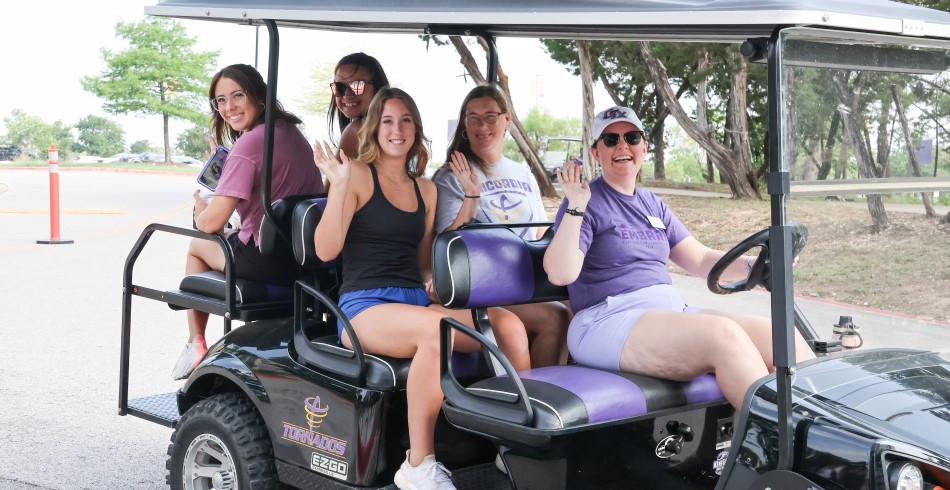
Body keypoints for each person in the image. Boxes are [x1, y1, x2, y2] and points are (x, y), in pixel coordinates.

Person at [312, 87, 529, 490]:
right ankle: (418, 464)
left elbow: (426, 261)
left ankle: (516, 446)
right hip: (364, 307)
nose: (397, 130)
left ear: (416, 129)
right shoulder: (354, 174)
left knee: (508, 326)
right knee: (437, 332)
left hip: (413, 300)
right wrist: (337, 187)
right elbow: (326, 250)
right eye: (388, 121)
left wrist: (470, 201)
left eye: (406, 121)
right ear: (375, 128)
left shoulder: (425, 189)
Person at [543, 106, 812, 409]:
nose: (622, 146)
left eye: (631, 137)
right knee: (720, 335)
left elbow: (700, 259)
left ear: (644, 147)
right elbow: (560, 273)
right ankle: (779, 433)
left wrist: (756, 264)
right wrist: (576, 205)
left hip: (668, 313)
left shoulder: (652, 204)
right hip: (605, 320)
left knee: (780, 336)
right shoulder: (584, 202)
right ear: (596, 152)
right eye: (610, 140)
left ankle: (813, 424)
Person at [172, 63, 325, 380]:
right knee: (231, 231)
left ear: (259, 95)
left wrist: (201, 211)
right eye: (221, 100)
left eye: (237, 95)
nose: (229, 107)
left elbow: (210, 224)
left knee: (197, 244)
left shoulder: (249, 144)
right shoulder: (292, 133)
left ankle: (195, 341)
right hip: (301, 261)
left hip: (264, 261)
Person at [433, 84, 570, 368]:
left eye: (490, 117)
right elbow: (447, 245)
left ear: (506, 119)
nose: (482, 126)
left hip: (526, 280)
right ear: (465, 124)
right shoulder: (452, 176)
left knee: (580, 306)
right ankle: (535, 392)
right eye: (473, 118)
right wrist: (471, 196)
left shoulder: (523, 173)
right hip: (486, 284)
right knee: (556, 317)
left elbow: (538, 234)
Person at [327, 52, 390, 159]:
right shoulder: (389, 127)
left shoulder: (357, 129)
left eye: (357, 85)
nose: (347, 94)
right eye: (339, 87)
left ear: (377, 88)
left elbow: (335, 171)